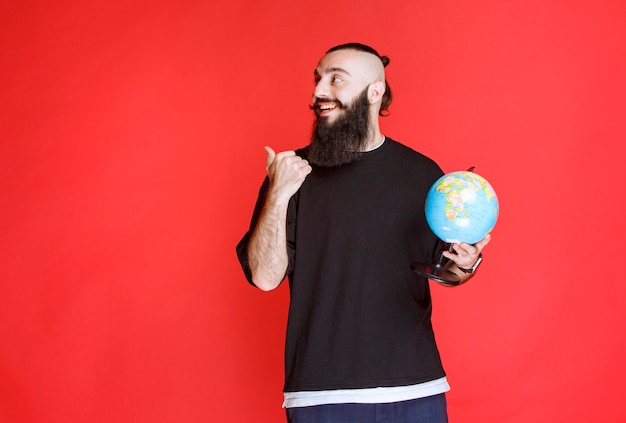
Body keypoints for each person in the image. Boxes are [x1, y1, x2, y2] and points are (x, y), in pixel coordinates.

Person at [236, 42, 491, 423]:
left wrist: (467, 264)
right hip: (321, 393)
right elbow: (265, 277)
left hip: (414, 388)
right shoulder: (290, 173)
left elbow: (446, 270)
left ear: (375, 92)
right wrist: (278, 193)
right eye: (318, 79)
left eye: (336, 79)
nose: (319, 91)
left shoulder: (421, 174)